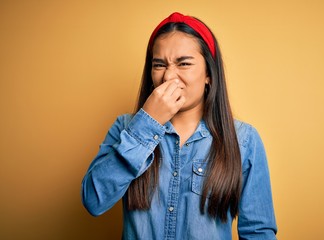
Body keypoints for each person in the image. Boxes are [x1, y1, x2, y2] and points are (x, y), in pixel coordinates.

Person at [81, 12, 277, 240]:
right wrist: (147, 124)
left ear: (209, 75)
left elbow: (258, 233)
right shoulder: (126, 127)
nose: (168, 77)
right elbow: (93, 201)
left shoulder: (244, 140)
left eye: (183, 63)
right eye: (159, 65)